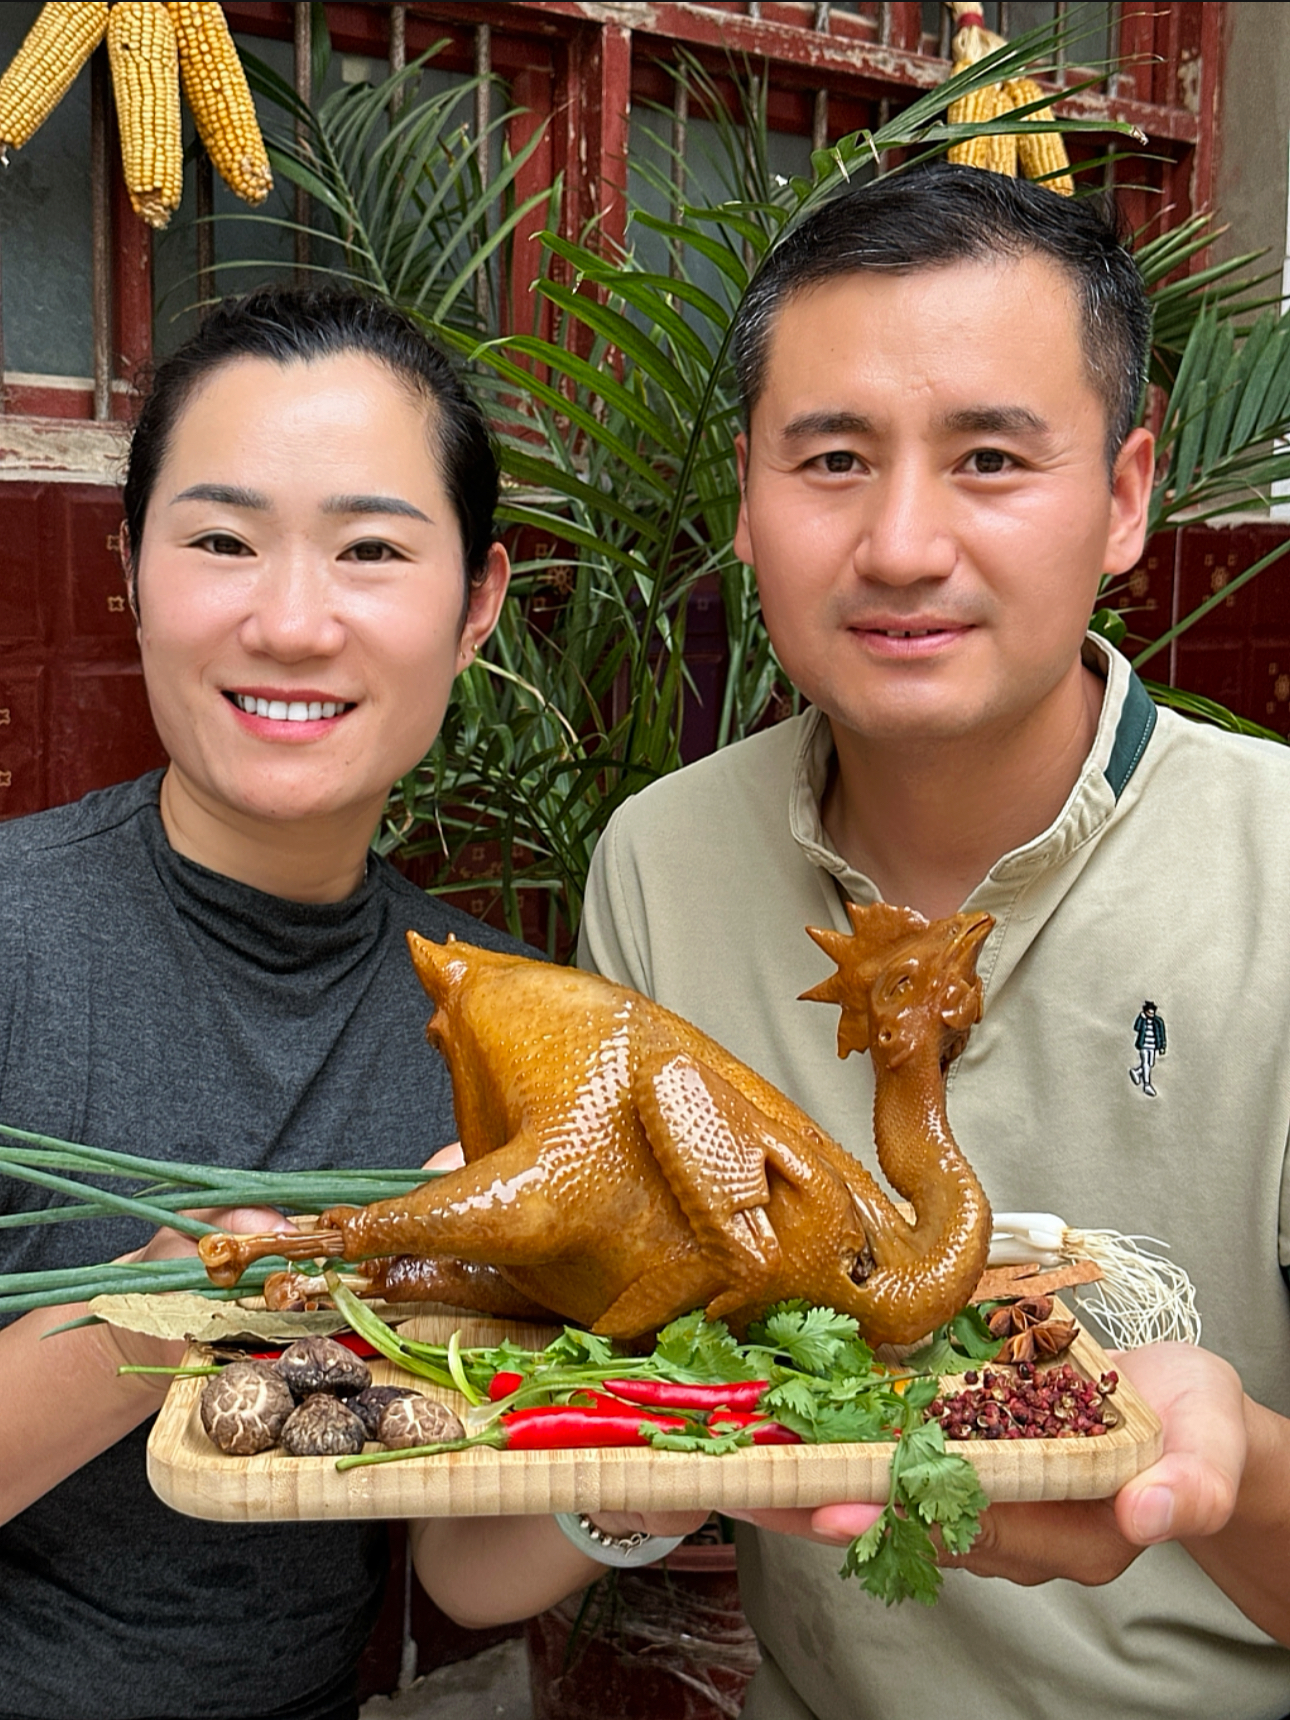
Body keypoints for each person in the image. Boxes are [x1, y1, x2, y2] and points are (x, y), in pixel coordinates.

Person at [568, 165, 1290, 1717]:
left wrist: (1228, 1465)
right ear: (748, 502)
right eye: (830, 458)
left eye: (987, 459)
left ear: (1121, 496)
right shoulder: (661, 864)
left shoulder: (1279, 876)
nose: (900, 544)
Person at [0, 287, 521, 1720]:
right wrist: (171, 1307)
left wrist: (669, 1441)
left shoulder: (498, 1023)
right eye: (222, 542)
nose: (291, 622)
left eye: (368, 552)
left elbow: (473, 1576)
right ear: (132, 570)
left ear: (474, 605)